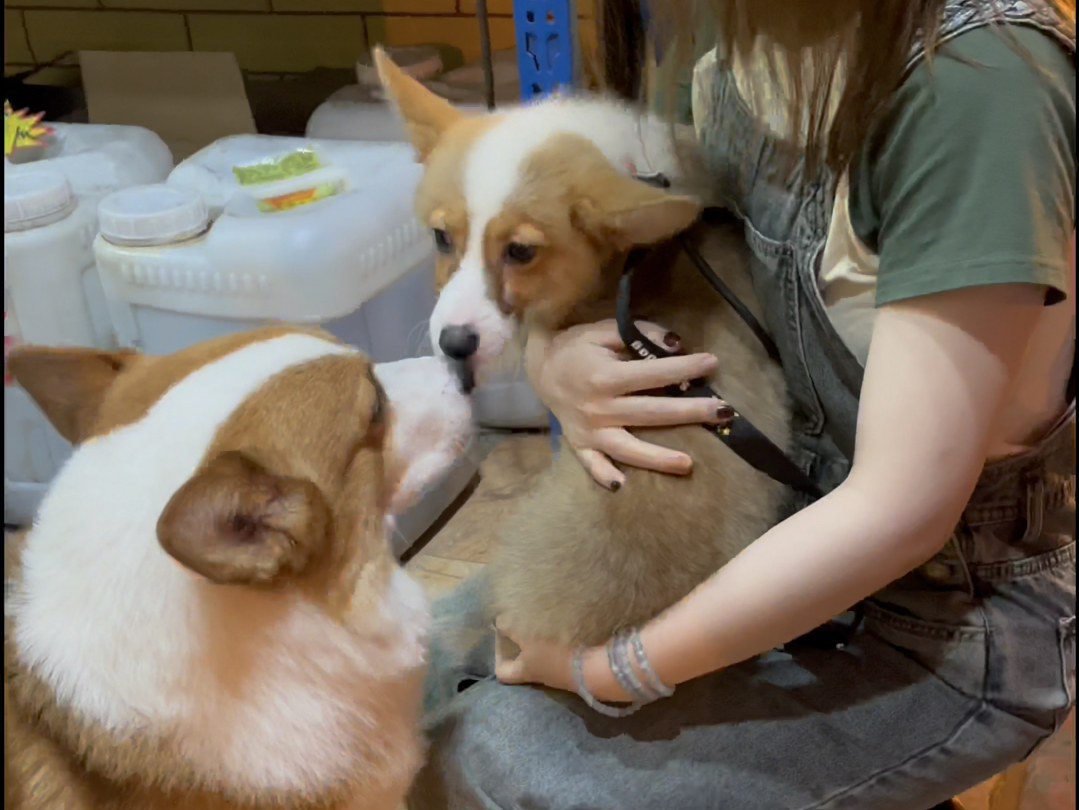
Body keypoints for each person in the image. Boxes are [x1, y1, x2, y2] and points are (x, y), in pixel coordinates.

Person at [410, 1, 1077, 808]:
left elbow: (901, 511)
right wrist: (555, 362)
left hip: (949, 620)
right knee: (420, 664)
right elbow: (622, 241)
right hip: (778, 512)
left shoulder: (978, 83)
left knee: (493, 760)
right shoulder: (733, 36)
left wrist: (614, 670)